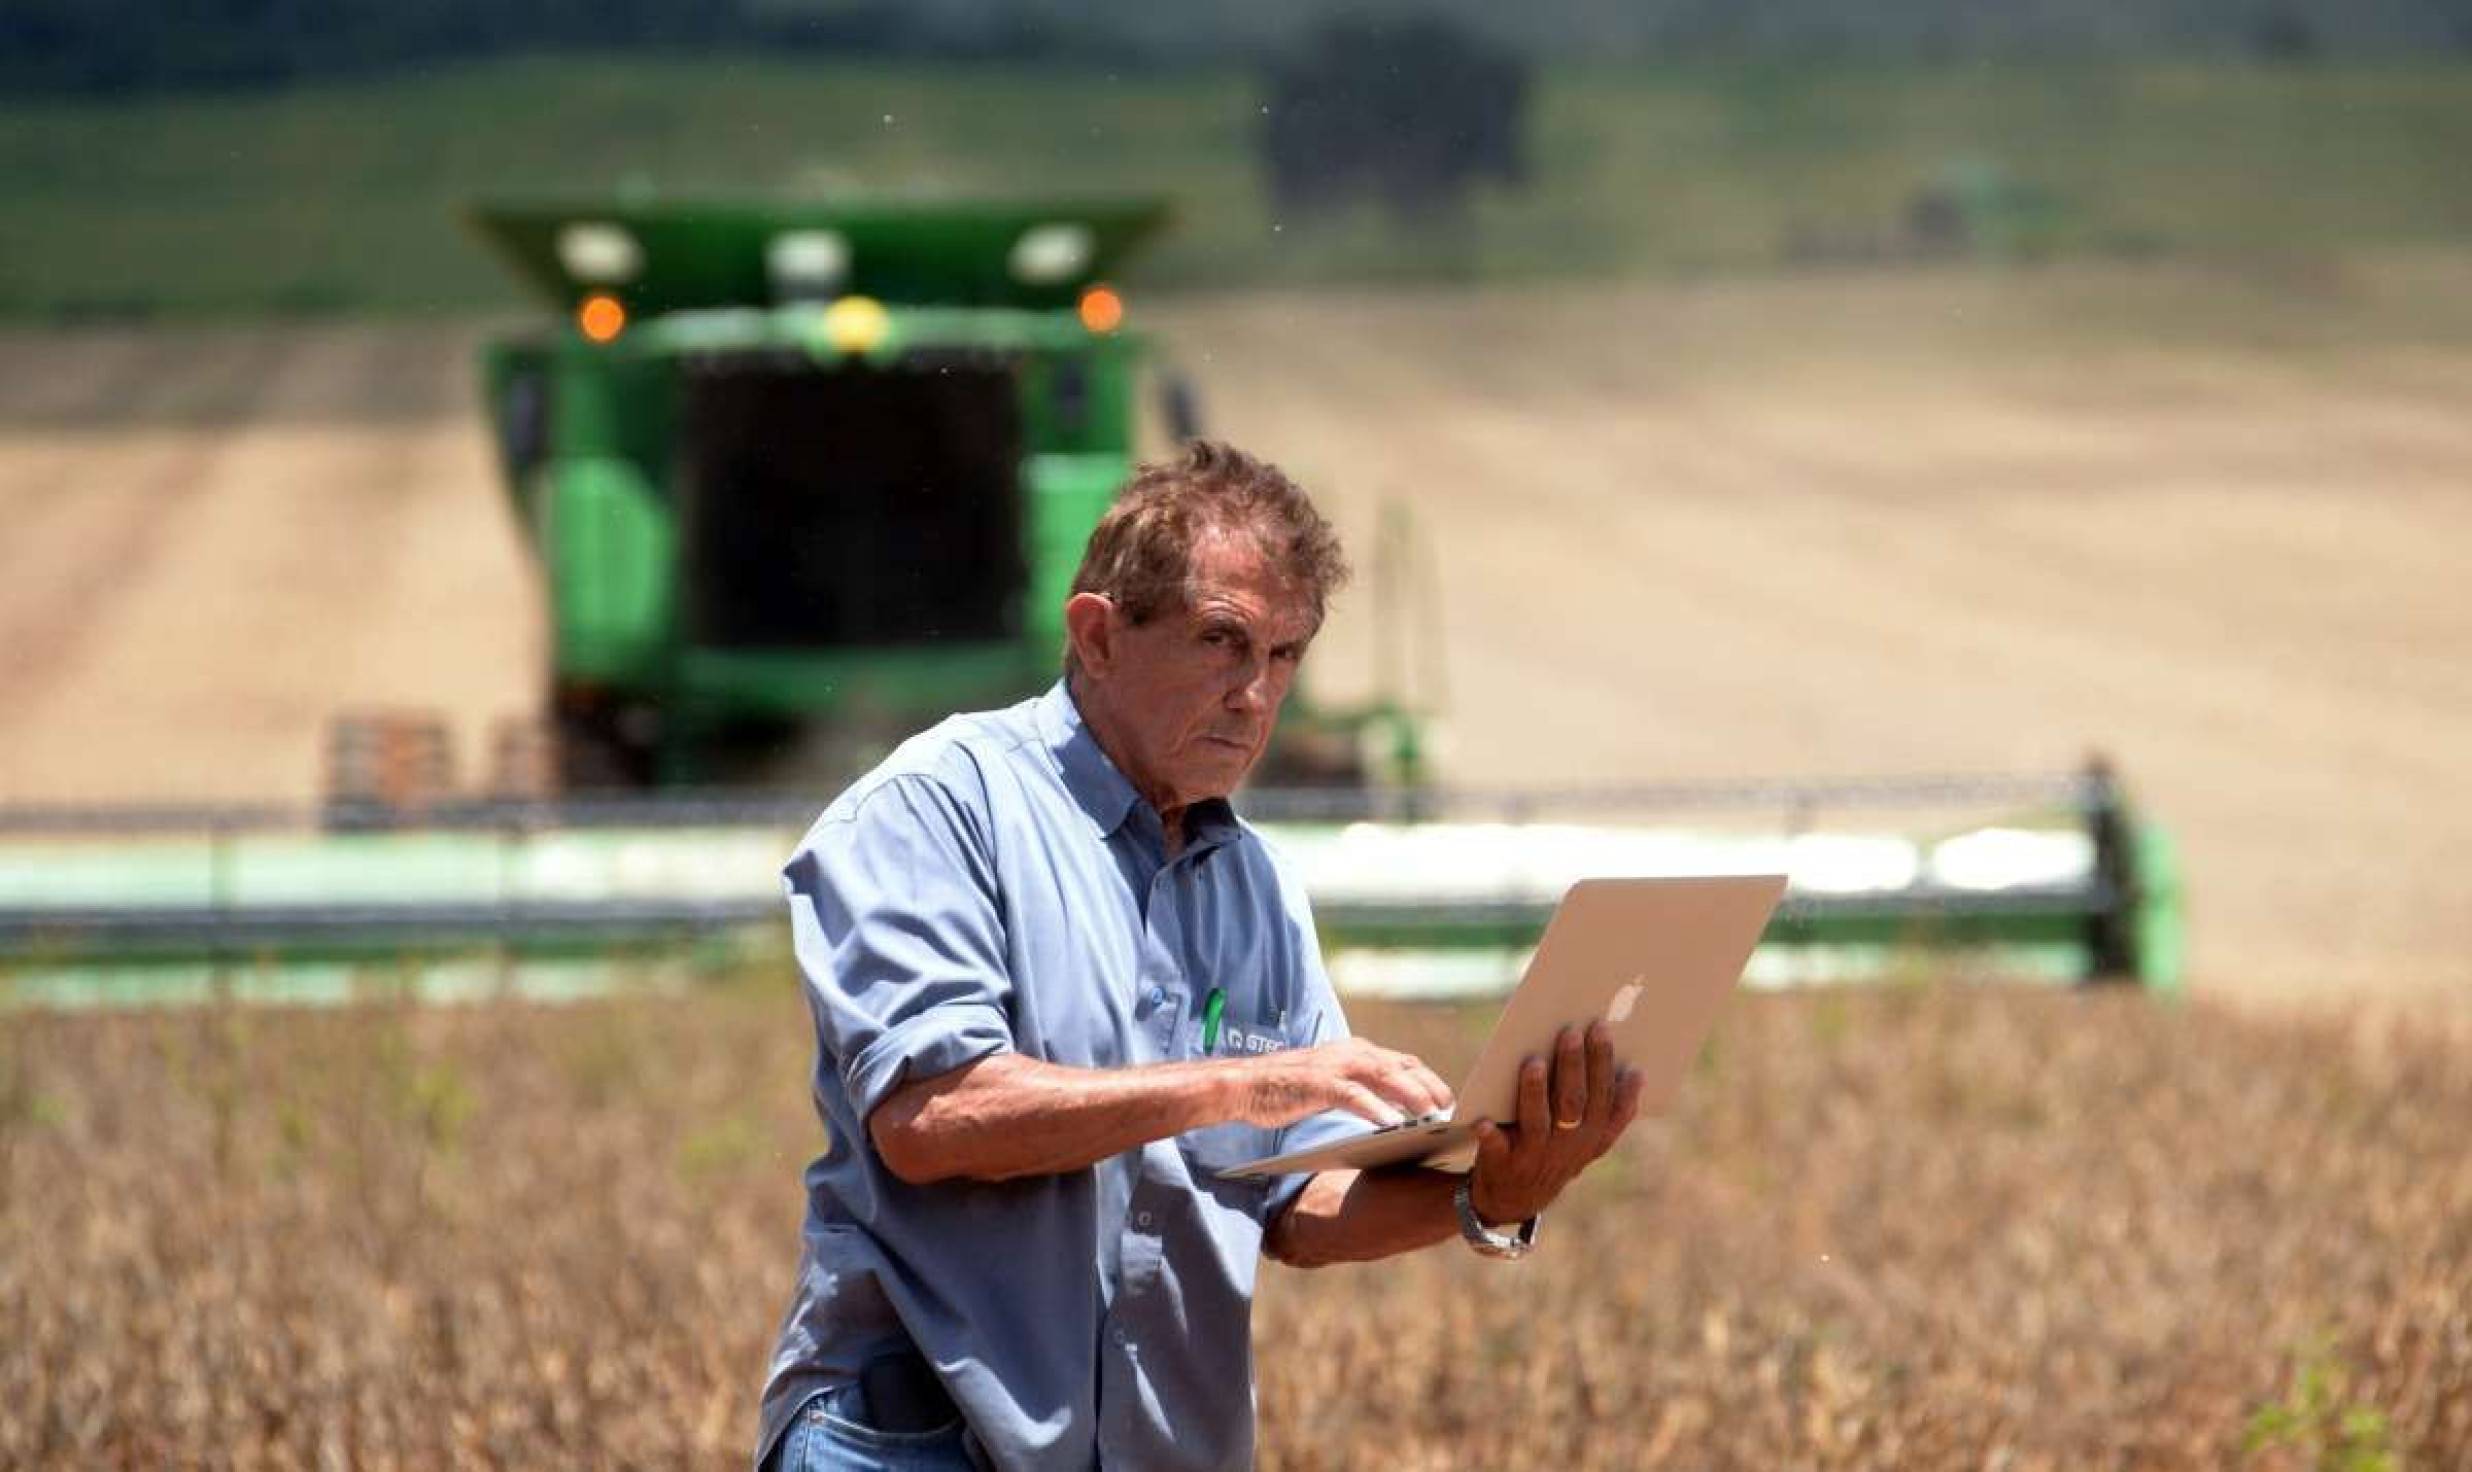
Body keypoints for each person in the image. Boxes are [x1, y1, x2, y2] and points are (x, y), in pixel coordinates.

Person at [756, 440, 1645, 1472]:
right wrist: (1242, 1083)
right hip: (911, 1434)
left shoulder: (1256, 886)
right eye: (1222, 641)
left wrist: (1491, 1193)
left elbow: (1297, 1205)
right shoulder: (937, 809)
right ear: (1096, 635)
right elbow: (931, 1118)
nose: (1257, 694)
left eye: (1285, 656)